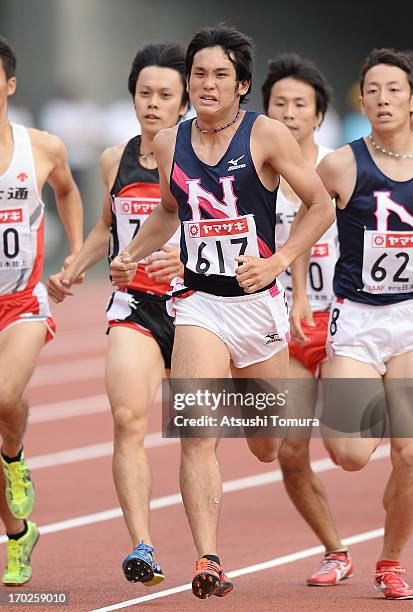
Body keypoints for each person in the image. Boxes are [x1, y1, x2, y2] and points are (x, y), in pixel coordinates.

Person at [110, 24, 334, 599]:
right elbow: (167, 210)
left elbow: (320, 204)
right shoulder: (170, 143)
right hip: (200, 301)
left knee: (266, 444)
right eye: (199, 74)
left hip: (257, 306)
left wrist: (279, 259)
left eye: (220, 76)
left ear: (241, 86)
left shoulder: (266, 136)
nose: (207, 85)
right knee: (197, 432)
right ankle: (208, 558)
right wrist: (132, 253)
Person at [47, 43, 188, 587]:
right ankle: (143, 546)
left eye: (164, 95)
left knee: (219, 437)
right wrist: (75, 265)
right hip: (135, 305)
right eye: (144, 93)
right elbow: (108, 228)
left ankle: (207, 552)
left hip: (198, 307)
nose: (152, 104)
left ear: (184, 103)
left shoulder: (202, 159)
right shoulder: (116, 158)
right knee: (129, 421)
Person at [315, 48, 413, 600]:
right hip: (356, 318)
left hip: (411, 318)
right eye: (372, 89)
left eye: (394, 88)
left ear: (412, 98)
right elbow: (301, 215)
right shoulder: (341, 164)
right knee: (351, 456)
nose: (382, 98)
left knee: (410, 454)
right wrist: (287, 273)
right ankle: (356, 395)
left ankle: (390, 561)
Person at [262, 53, 352, 586]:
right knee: (288, 448)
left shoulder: (345, 168)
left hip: (347, 325)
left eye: (301, 104)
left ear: (319, 115)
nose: (291, 113)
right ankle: (336, 550)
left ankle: (391, 550)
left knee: (358, 452)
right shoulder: (251, 170)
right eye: (280, 104)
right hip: (281, 329)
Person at [0, 36, 83, 586]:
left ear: (8, 83)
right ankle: (17, 534)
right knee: (4, 410)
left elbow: (69, 193)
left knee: (3, 396)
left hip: (23, 301)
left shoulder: (42, 146)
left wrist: (75, 254)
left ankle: (14, 459)